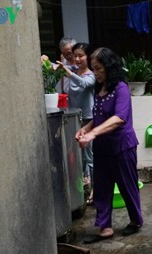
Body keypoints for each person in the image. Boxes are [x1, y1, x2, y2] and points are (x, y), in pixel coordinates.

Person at [77, 47, 143, 243]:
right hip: (103, 148)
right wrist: (86, 129)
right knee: (102, 187)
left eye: (98, 69)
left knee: (127, 186)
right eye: (93, 69)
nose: (95, 73)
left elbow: (119, 118)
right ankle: (104, 227)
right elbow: (99, 116)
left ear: (109, 67)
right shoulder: (100, 88)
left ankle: (135, 220)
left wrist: (92, 134)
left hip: (122, 146)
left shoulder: (121, 88)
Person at [57, 43, 96, 204]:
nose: (77, 59)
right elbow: (57, 67)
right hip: (73, 119)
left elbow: (84, 84)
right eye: (75, 56)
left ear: (89, 57)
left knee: (90, 157)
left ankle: (95, 190)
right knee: (76, 157)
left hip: (88, 120)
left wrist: (67, 71)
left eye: (81, 56)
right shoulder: (73, 71)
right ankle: (80, 190)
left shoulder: (91, 75)